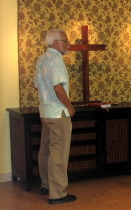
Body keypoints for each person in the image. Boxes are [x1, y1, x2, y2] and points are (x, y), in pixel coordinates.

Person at [34, 29, 77, 204]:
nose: (68, 44)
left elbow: (37, 86)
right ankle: (58, 193)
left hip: (45, 112)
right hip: (58, 114)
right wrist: (70, 107)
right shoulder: (56, 60)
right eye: (65, 41)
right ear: (55, 43)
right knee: (58, 154)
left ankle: (46, 184)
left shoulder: (41, 59)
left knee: (45, 151)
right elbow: (58, 88)